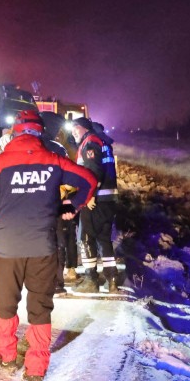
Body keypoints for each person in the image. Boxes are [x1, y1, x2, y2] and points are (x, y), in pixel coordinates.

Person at [0, 115, 95, 381]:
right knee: (40, 307)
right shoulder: (53, 160)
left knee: (6, 302)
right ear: (40, 134)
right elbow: (88, 180)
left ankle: (5, 354)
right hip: (43, 246)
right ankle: (36, 370)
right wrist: (71, 205)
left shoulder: (0, 163)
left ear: (15, 134)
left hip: (8, 247)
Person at [70, 117, 120, 292]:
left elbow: (94, 171)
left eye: (75, 128)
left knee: (86, 238)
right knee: (104, 240)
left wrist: (89, 195)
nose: (73, 132)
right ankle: (112, 278)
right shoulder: (103, 142)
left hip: (95, 199)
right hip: (107, 198)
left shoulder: (90, 143)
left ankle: (91, 280)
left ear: (84, 128)